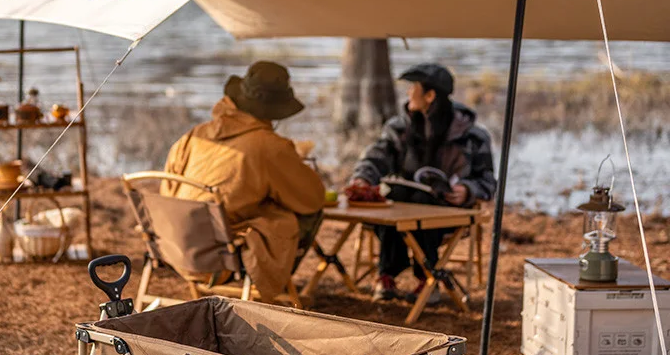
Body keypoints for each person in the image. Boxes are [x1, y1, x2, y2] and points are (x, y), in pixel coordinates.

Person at [162, 61, 325, 301]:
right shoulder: (268, 145)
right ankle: (278, 285)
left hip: (173, 247)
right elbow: (312, 198)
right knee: (303, 213)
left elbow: (168, 190)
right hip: (218, 260)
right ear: (276, 110)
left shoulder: (195, 134)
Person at [350, 63, 496, 303]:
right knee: (392, 199)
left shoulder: (473, 136)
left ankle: (427, 278)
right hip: (401, 205)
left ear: (430, 96)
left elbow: (488, 182)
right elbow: (375, 157)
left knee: (421, 202)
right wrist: (362, 179)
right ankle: (389, 275)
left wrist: (468, 190)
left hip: (448, 210)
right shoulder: (399, 127)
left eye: (413, 89)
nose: (408, 94)